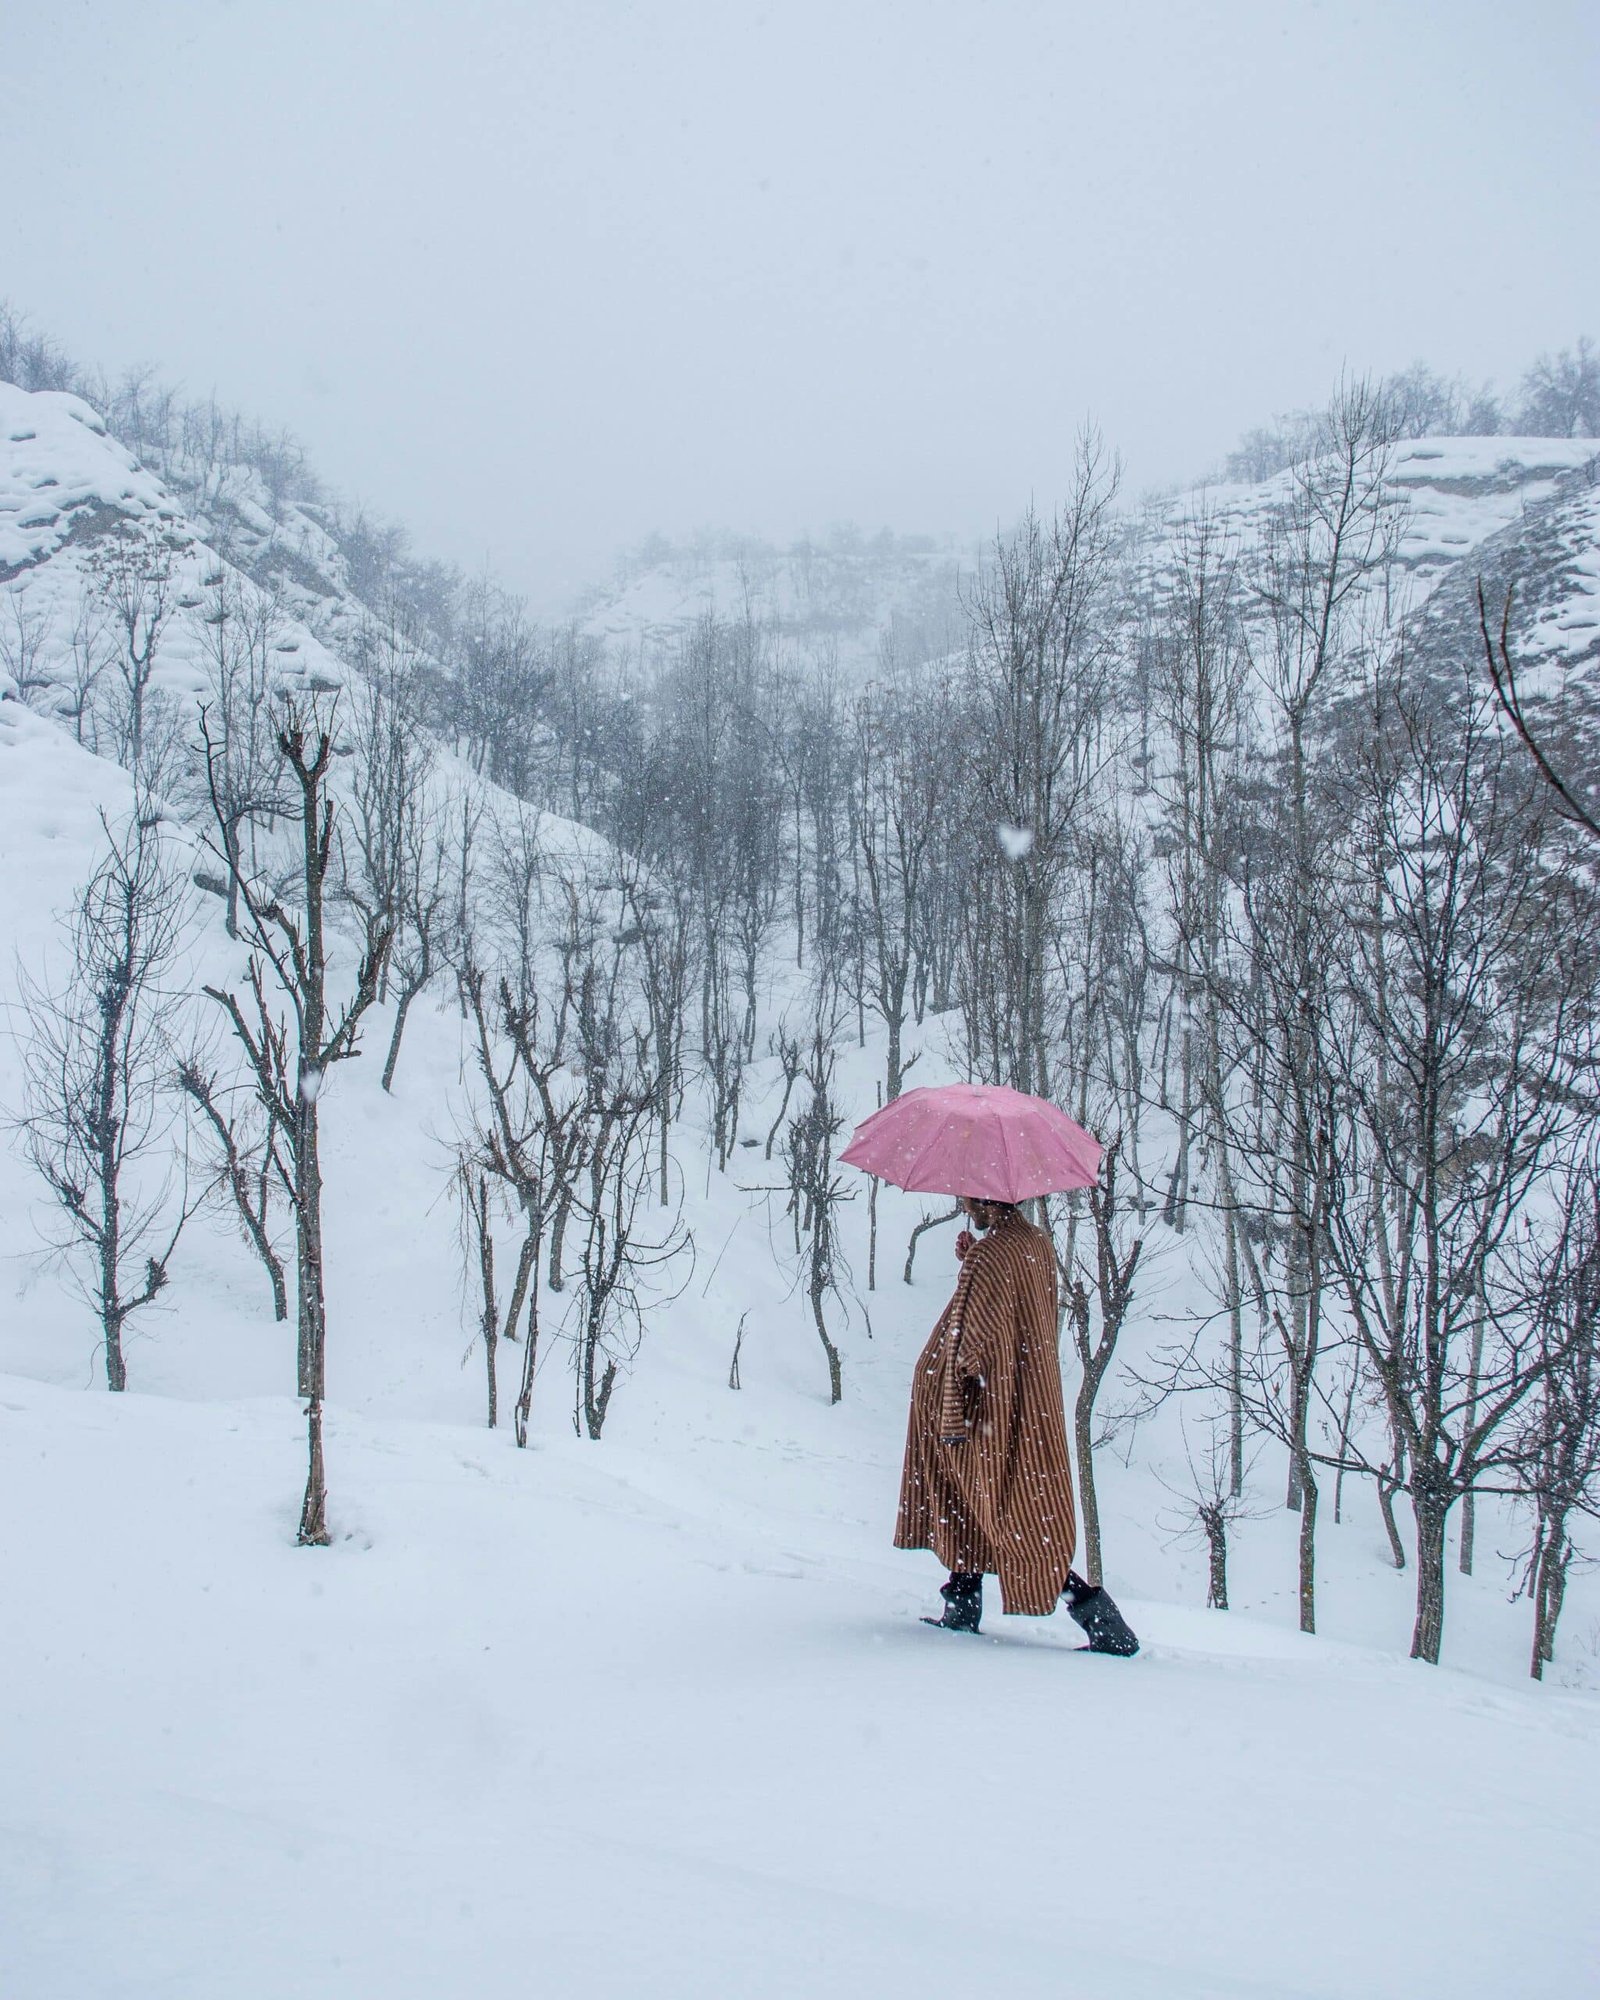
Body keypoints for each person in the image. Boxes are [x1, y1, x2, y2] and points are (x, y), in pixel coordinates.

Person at [895, 1194, 1137, 1653]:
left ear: (989, 1199)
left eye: (971, 1200)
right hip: (1024, 1398)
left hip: (986, 1407)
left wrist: (974, 1272)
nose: (967, 1207)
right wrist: (975, 1266)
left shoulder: (994, 1253)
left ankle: (1095, 1614)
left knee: (1008, 1510)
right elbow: (1012, 1307)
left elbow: (973, 1343)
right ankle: (962, 1604)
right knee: (979, 1501)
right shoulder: (1035, 1244)